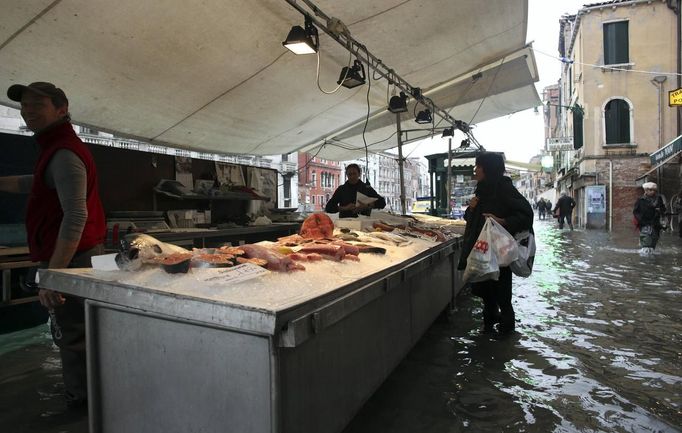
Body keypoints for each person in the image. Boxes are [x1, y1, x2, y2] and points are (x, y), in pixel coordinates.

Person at [0, 82, 106, 410]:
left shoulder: (63, 151)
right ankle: (90, 399)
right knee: (75, 332)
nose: (28, 111)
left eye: (37, 104)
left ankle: (83, 407)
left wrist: (53, 274)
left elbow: (75, 216)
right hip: (71, 254)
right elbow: (41, 182)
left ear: (61, 109)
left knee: (72, 335)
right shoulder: (56, 148)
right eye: (24, 105)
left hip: (70, 257)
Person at [457, 153, 533, 334]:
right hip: (482, 251)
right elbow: (471, 219)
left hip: (499, 254)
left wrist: (502, 220)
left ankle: (505, 336)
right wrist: (472, 208)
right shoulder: (482, 189)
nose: (475, 169)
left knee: (502, 296)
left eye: (479, 166)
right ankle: (489, 330)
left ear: (488, 168)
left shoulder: (503, 188)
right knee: (485, 293)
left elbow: (526, 215)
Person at [633, 182, 666, 254]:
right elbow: (636, 212)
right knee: (646, 245)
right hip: (645, 224)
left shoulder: (658, 199)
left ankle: (653, 262)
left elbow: (663, 209)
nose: (653, 192)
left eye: (654, 190)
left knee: (653, 245)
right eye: (651, 190)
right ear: (646, 190)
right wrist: (641, 221)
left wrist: (660, 210)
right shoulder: (640, 200)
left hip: (656, 225)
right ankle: (645, 262)